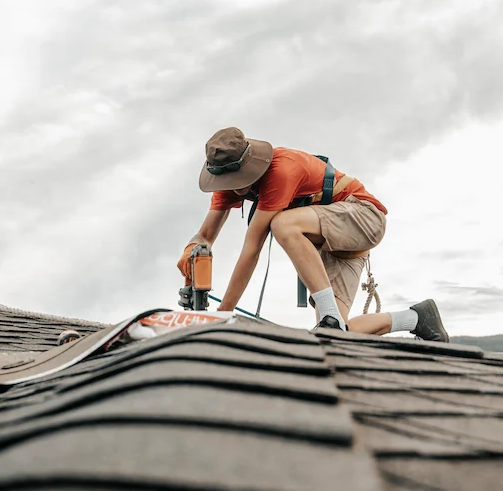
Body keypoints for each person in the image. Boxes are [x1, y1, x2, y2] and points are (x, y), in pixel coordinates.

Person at [180, 127, 448, 338]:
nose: (236, 188)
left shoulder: (282, 171)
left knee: (283, 224)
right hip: (335, 243)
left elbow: (252, 248)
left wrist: (222, 315)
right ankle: (417, 318)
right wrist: (193, 249)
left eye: (240, 179)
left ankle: (330, 317)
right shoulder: (227, 186)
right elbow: (205, 236)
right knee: (334, 337)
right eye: (229, 182)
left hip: (363, 217)